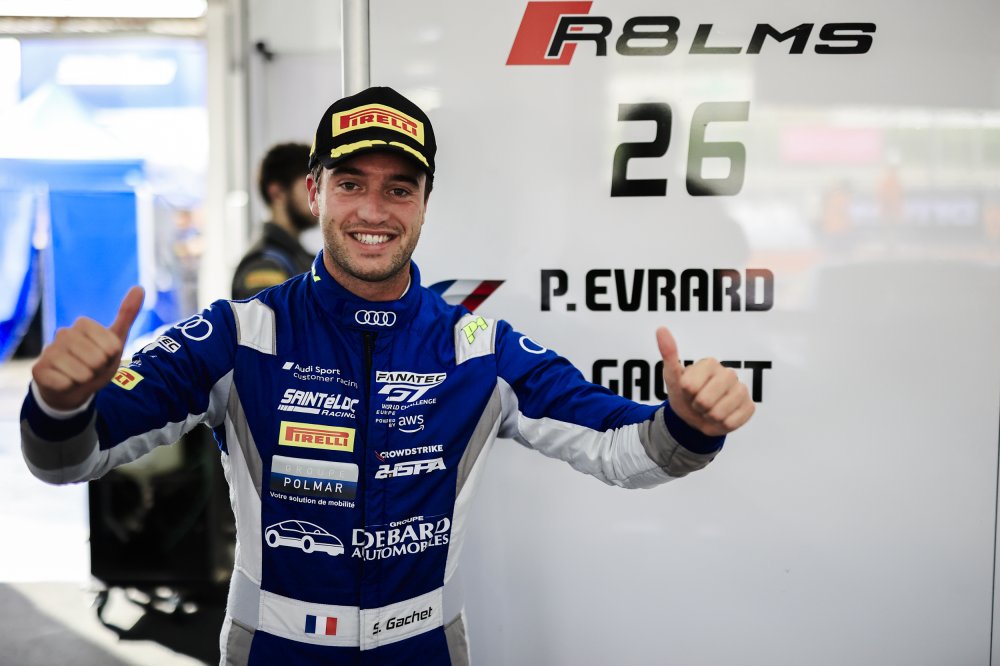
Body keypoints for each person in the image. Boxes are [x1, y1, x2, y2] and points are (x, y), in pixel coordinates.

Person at [20, 86, 755, 666]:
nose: (374, 211)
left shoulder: (479, 347)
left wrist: (689, 424)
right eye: (351, 184)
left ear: (425, 203)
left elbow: (624, 448)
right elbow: (68, 459)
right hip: (274, 650)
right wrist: (59, 402)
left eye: (400, 189)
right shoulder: (239, 335)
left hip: (425, 648)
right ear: (315, 193)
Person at [231, 142, 316, 300]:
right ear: (277, 193)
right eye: (308, 187)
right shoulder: (265, 265)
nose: (316, 197)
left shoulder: (293, 255)